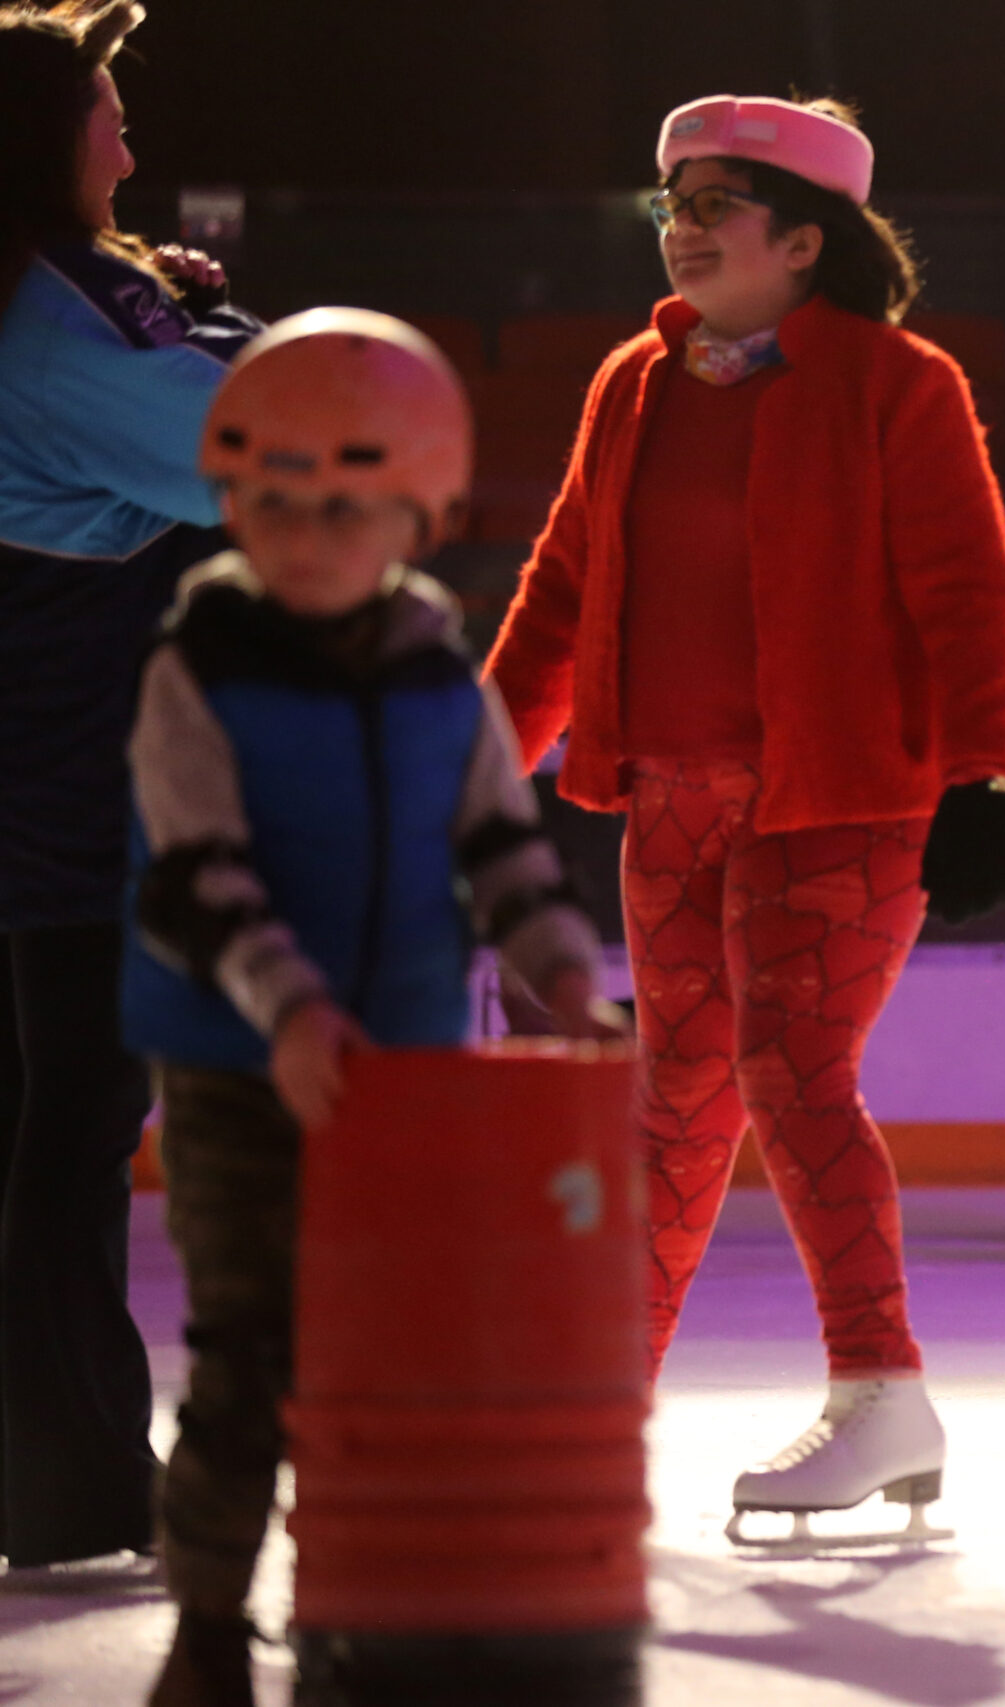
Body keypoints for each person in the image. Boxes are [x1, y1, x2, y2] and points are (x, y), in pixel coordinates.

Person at [484, 94, 1005, 1543]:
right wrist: (468, 773)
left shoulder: (896, 384)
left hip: (842, 799)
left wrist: (986, 776)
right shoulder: (633, 383)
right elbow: (556, 594)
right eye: (669, 194)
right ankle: (594, 1411)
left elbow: (974, 594)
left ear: (803, 239)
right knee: (673, 1107)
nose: (680, 220)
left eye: (714, 199)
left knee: (792, 1073)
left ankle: (879, 1387)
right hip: (665, 795)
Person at [123, 309, 612, 1707]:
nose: (307, 534)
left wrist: (565, 968)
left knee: (394, 1347)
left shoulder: (434, 673)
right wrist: (284, 1012)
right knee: (246, 1351)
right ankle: (209, 1623)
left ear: (416, 509)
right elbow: (195, 877)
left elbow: (503, 849)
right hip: (238, 1069)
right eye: (271, 503)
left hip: (407, 1075)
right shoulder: (196, 665)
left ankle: (375, 1593)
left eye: (346, 506)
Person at [0, 0, 261, 1578]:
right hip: (67, 796)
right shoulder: (54, 320)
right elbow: (251, 446)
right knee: (68, 1134)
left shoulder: (46, 301)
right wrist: (221, 330)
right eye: (107, 112)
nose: (131, 143)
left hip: (34, 782)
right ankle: (72, 1485)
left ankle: (52, 1476)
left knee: (33, 1129)